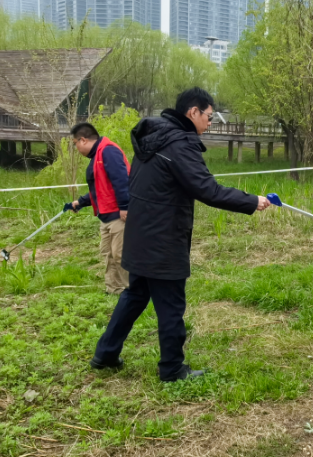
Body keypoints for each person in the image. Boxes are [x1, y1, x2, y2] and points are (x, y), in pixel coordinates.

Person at [89, 88, 271, 382]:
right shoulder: (179, 143)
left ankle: (105, 353)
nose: (210, 123)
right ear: (193, 112)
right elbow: (206, 188)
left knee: (135, 295)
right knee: (171, 304)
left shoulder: (154, 138)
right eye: (209, 117)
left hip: (140, 233)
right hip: (163, 238)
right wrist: (251, 201)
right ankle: (172, 369)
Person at [70, 122, 131, 295]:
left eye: (75, 144)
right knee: (109, 255)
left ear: (83, 140)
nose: (77, 148)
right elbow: (100, 188)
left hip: (119, 215)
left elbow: (122, 181)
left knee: (120, 255)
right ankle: (114, 289)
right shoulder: (97, 155)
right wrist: (80, 202)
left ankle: (134, 291)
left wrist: (125, 207)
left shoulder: (108, 151)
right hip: (106, 216)